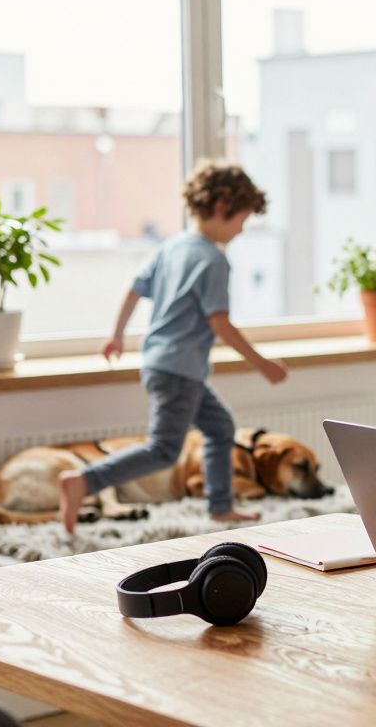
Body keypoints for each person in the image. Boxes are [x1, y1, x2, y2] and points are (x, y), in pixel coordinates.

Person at [57, 161, 290, 534]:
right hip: (179, 370)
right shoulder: (213, 260)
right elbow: (220, 323)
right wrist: (262, 364)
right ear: (220, 207)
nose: (242, 230)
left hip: (162, 364)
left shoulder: (173, 247)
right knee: (164, 449)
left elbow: (134, 288)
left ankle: (220, 506)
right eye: (241, 220)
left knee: (219, 427)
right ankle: (85, 480)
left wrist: (117, 333)